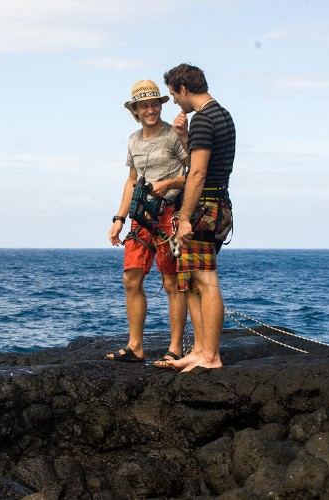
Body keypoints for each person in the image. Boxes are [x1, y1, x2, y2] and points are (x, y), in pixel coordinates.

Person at [106, 79, 189, 366]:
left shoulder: (174, 135)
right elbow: (131, 180)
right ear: (136, 111)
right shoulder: (133, 140)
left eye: (154, 104)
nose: (150, 109)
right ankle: (135, 346)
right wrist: (119, 217)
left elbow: (194, 173)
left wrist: (168, 183)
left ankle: (175, 348)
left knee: (171, 282)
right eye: (144, 106)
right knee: (131, 278)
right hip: (141, 216)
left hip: (169, 215)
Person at [162, 64, 236, 372]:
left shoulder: (205, 119)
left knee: (205, 281)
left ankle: (211, 356)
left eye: (174, 95)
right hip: (216, 204)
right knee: (192, 281)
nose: (176, 103)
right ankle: (200, 350)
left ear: (183, 88)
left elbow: (198, 173)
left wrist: (186, 217)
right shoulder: (220, 115)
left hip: (206, 207)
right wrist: (184, 135)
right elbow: (202, 160)